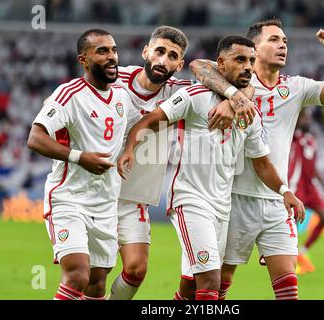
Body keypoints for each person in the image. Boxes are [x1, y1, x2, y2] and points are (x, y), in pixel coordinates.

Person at [117, 35, 305, 300]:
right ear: (221, 63)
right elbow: (150, 122)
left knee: (191, 287)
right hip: (190, 199)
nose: (248, 67)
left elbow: (262, 162)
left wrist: (285, 190)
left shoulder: (249, 113)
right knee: (210, 281)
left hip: (222, 206)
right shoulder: (194, 96)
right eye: (240, 60)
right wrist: (129, 149)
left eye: (251, 60)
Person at [189, 18, 324, 300]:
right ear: (253, 49)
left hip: (278, 198)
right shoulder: (237, 81)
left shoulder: (296, 87)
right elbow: (197, 66)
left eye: (285, 42)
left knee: (288, 288)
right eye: (274, 40)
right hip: (233, 197)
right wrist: (234, 95)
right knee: (219, 283)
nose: (282, 45)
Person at [27, 29, 133, 300]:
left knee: (97, 284)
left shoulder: (122, 93)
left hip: (106, 202)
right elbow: (35, 137)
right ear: (83, 60)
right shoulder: (69, 94)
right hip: (69, 198)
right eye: (102, 51)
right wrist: (79, 157)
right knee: (77, 276)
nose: (112, 57)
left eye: (114, 50)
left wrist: (130, 149)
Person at [107, 26, 192, 300]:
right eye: (159, 51)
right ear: (146, 51)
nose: (163, 60)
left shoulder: (181, 93)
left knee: (136, 270)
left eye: (172, 56)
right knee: (89, 274)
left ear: (180, 65)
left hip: (132, 198)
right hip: (95, 192)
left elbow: (213, 72)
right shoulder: (113, 78)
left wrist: (233, 98)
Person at [288, 109, 324, 274]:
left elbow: (313, 166)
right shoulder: (294, 136)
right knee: (294, 225)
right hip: (296, 185)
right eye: (304, 117)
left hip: (310, 186)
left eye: (308, 117)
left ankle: (304, 250)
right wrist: (298, 114)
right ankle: (294, 260)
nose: (308, 120)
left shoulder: (312, 140)